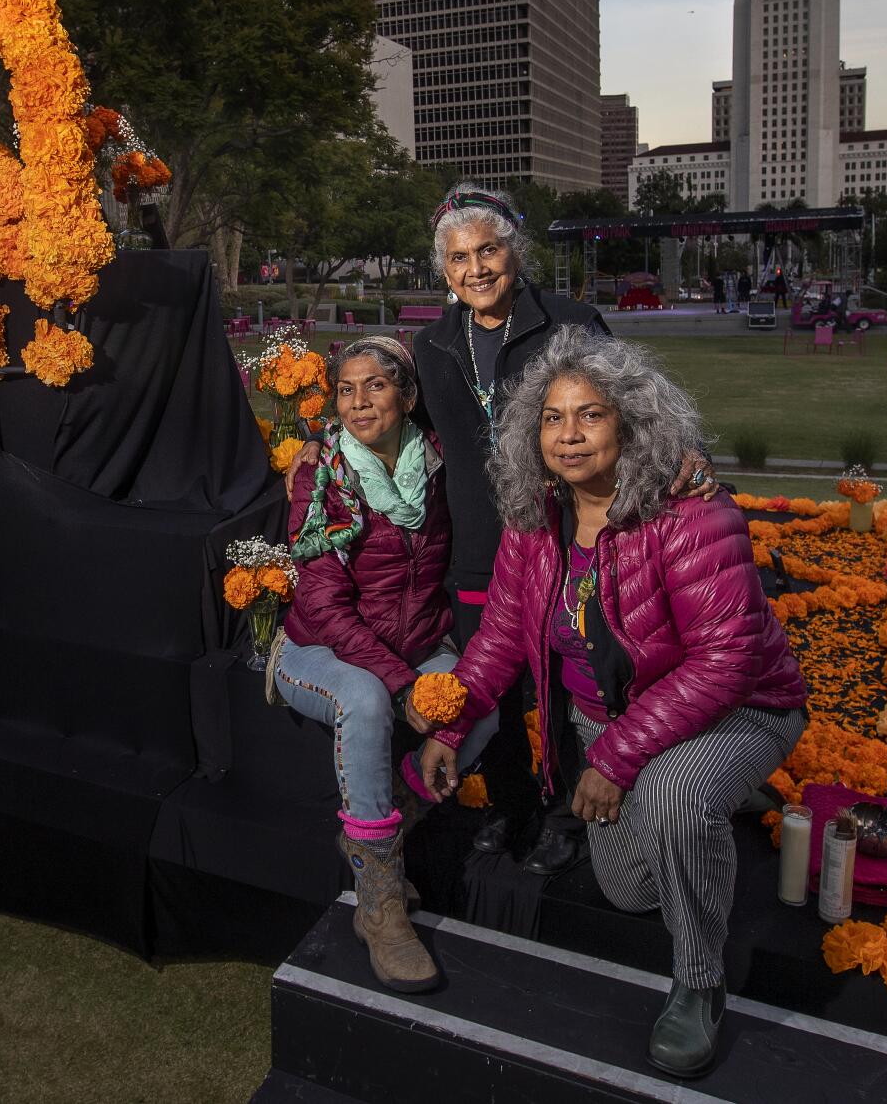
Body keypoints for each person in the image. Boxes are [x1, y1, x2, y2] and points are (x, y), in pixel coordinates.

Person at [292, 182, 718, 876]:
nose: (477, 268)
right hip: (478, 553)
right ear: (446, 269)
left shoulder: (572, 324)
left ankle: (565, 820)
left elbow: (635, 409)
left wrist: (687, 451)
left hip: (573, 544)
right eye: (460, 257)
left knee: (569, 684)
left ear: (513, 252)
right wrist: (318, 441)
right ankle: (513, 805)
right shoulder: (430, 344)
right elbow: (389, 412)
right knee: (490, 689)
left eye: (488, 250)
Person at [418, 329, 808, 1079]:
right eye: (553, 417)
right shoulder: (535, 521)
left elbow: (728, 662)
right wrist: (453, 719)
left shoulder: (692, 515)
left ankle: (700, 982)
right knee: (629, 889)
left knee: (675, 792)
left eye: (590, 415)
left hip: (738, 708)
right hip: (617, 725)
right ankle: (706, 806)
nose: (569, 435)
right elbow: (499, 633)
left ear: (629, 422)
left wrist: (619, 755)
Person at [274, 336, 498, 993]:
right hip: (319, 648)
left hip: (418, 641)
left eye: (375, 385)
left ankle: (385, 819)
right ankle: (380, 903)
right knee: (367, 698)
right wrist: (405, 685)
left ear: (406, 396)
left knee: (476, 703)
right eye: (346, 389)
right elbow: (321, 602)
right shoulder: (323, 476)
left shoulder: (440, 465)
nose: (359, 400)